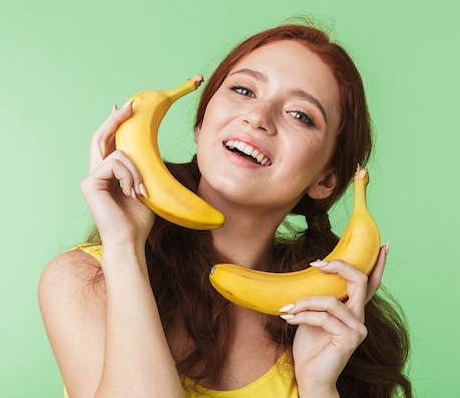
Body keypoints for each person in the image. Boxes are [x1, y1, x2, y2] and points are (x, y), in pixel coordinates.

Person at [38, 22, 412, 398]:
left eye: (300, 115)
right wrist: (123, 247)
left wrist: (318, 387)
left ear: (326, 180)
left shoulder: (335, 328)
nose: (258, 117)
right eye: (243, 89)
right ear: (201, 123)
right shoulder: (85, 281)